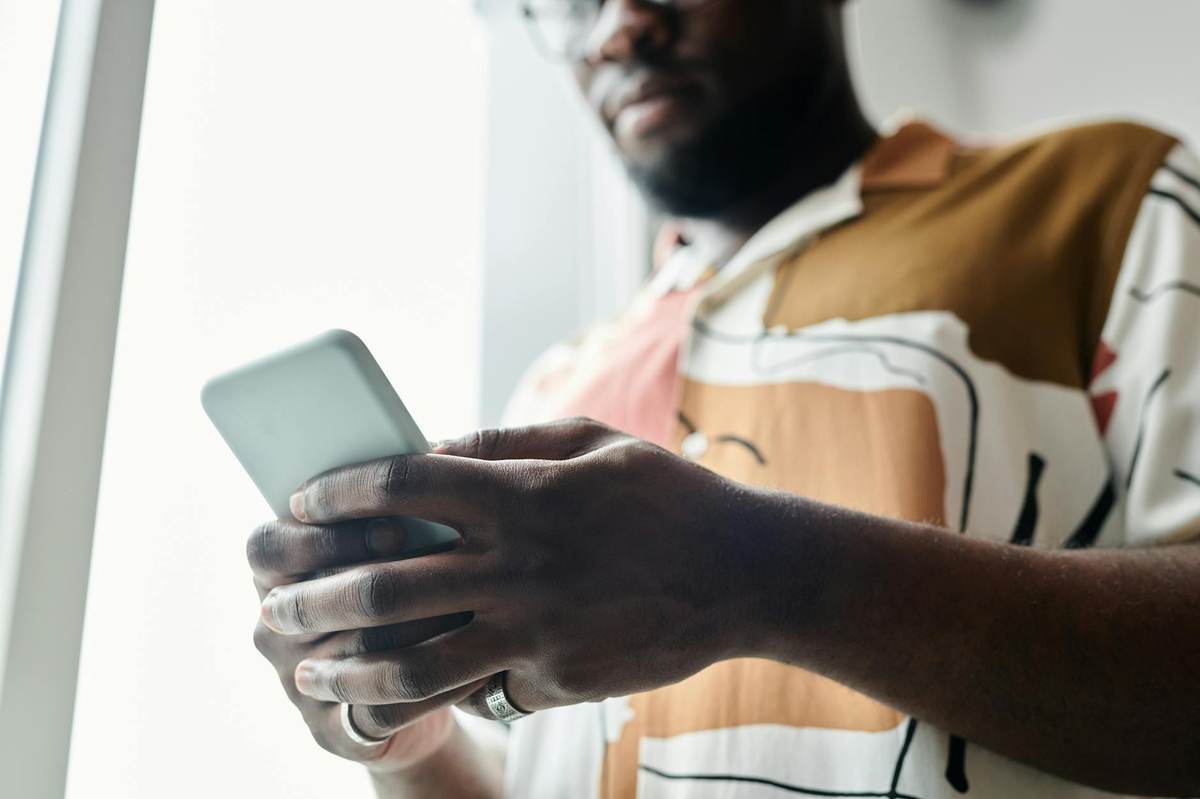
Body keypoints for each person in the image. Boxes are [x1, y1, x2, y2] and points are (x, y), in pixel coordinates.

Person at [246, 1, 1200, 796]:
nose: (617, 29)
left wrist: (757, 577)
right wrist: (416, 746)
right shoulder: (561, 381)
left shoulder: (1107, 200)